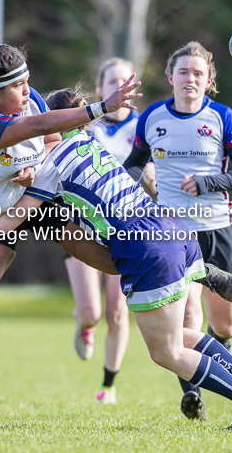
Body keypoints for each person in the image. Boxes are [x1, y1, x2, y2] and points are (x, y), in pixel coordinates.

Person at [0, 87, 232, 430]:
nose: (33, 128)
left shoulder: (51, 167)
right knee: (183, 335)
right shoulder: (90, 143)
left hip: (143, 247)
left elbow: (11, 220)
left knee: (166, 352)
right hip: (168, 225)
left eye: (40, 122)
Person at [0, 0, 141, 425]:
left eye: (28, 83)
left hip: (37, 200)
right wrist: (99, 108)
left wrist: (37, 168)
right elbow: (34, 127)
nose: (28, 91)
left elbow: (48, 139)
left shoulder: (23, 96)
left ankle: (196, 269)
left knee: (114, 261)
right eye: (18, 87)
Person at [123, 41, 232, 420]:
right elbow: (133, 165)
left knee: (225, 325)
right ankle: (193, 393)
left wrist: (207, 182)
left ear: (209, 80)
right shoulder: (151, 118)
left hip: (218, 230)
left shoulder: (223, 118)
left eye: (198, 73)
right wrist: (126, 192)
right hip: (172, 233)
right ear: (170, 77)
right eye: (183, 72)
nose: (190, 79)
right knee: (185, 319)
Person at [66, 59, 146, 405]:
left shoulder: (145, 126)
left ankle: (108, 387)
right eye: (111, 80)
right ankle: (82, 323)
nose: (118, 84)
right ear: (101, 89)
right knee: (93, 313)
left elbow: (154, 162)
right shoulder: (87, 123)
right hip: (84, 226)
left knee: (117, 311)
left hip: (124, 228)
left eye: (124, 79)